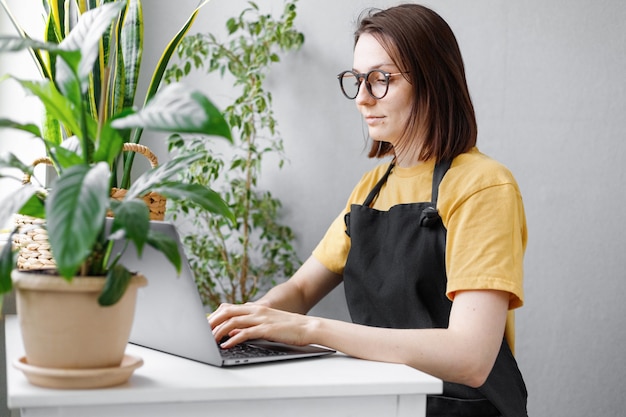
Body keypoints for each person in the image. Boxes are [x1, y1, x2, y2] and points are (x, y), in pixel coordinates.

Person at [209, 4, 528, 416]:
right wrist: (244, 321)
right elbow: (302, 290)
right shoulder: (370, 189)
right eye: (357, 80)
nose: (361, 98)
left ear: (433, 81)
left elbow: (470, 356)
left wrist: (310, 330)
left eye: (381, 80)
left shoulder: (483, 185)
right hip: (382, 402)